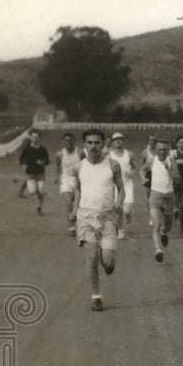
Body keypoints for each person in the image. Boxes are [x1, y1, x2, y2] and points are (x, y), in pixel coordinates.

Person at [72, 129, 125, 311]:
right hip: (85, 217)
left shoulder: (113, 165)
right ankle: (96, 297)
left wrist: (119, 203)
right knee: (92, 256)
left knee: (107, 262)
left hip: (107, 217)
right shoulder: (78, 167)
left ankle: (109, 261)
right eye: (90, 143)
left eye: (97, 143)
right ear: (84, 145)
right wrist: (74, 209)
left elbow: (121, 189)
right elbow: (78, 189)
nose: (93, 146)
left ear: (103, 144)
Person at [147, 138, 179, 263]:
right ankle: (158, 250)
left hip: (168, 197)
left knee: (167, 226)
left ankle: (164, 233)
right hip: (155, 196)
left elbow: (177, 179)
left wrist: (168, 168)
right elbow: (142, 169)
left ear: (168, 150)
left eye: (165, 149)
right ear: (155, 150)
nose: (162, 152)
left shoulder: (172, 161)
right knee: (156, 225)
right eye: (159, 149)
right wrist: (143, 178)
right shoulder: (151, 160)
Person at [54, 132, 83, 235]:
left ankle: (79, 221)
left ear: (73, 141)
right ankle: (71, 227)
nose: (68, 142)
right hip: (66, 180)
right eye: (66, 140)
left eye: (70, 140)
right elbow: (57, 165)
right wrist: (56, 176)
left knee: (78, 205)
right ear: (63, 142)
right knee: (68, 202)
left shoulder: (80, 152)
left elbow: (86, 164)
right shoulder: (59, 154)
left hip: (79, 180)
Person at [108, 132, 136, 238]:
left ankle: (128, 215)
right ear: (112, 142)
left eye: (120, 139)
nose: (118, 141)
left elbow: (134, 166)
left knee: (126, 210)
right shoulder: (109, 155)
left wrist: (132, 173)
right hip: (115, 186)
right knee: (118, 208)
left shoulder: (129, 154)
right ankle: (120, 230)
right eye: (116, 139)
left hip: (127, 185)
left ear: (123, 141)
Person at [19, 130, 50, 213]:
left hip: (40, 173)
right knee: (32, 191)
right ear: (31, 138)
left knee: (41, 191)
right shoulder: (27, 149)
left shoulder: (43, 149)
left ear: (39, 138)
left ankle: (39, 206)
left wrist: (42, 163)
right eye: (33, 137)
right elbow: (21, 159)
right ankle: (37, 192)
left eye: (36, 137)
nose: (35, 138)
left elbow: (47, 161)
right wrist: (23, 165)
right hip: (30, 173)